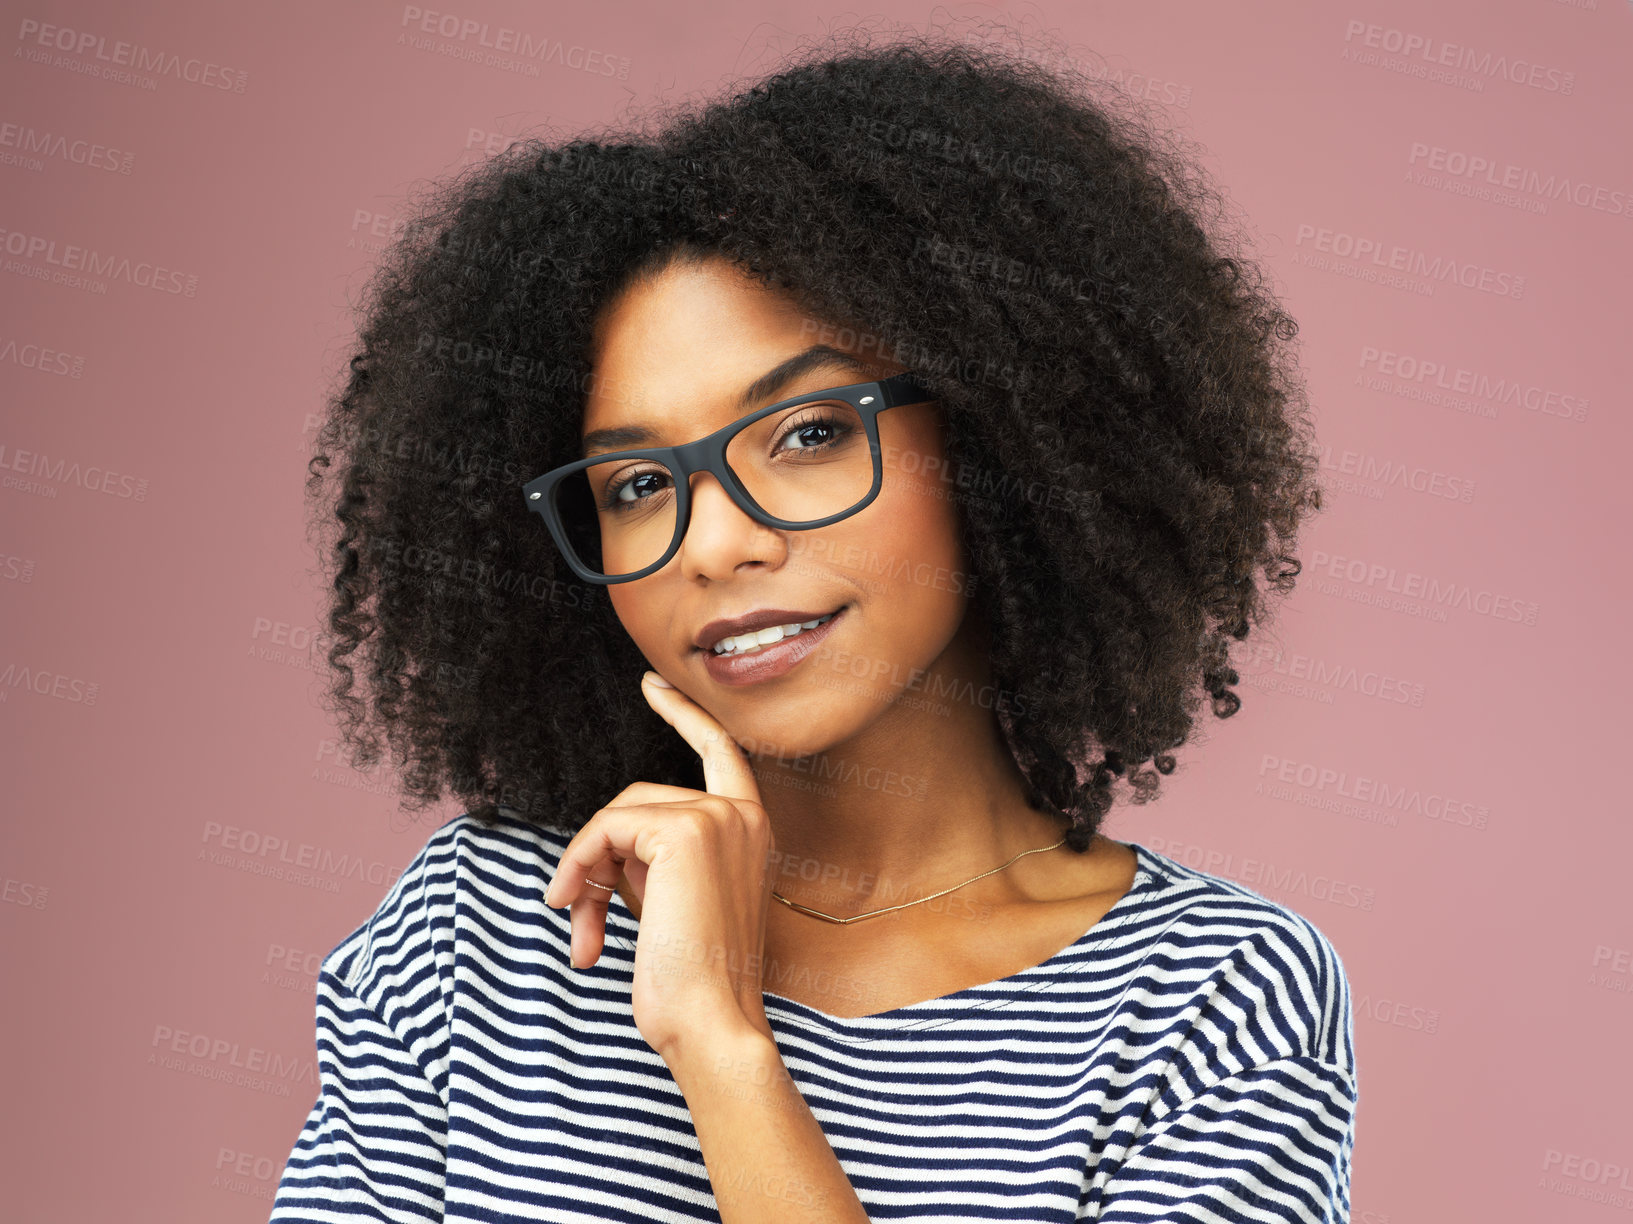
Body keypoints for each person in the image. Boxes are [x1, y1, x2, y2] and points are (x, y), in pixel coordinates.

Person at [271, 23, 1354, 1224]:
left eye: (806, 433)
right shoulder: (476, 938)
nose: (716, 542)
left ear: (1001, 431)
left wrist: (722, 1045)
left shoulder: (1211, 1004)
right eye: (635, 487)